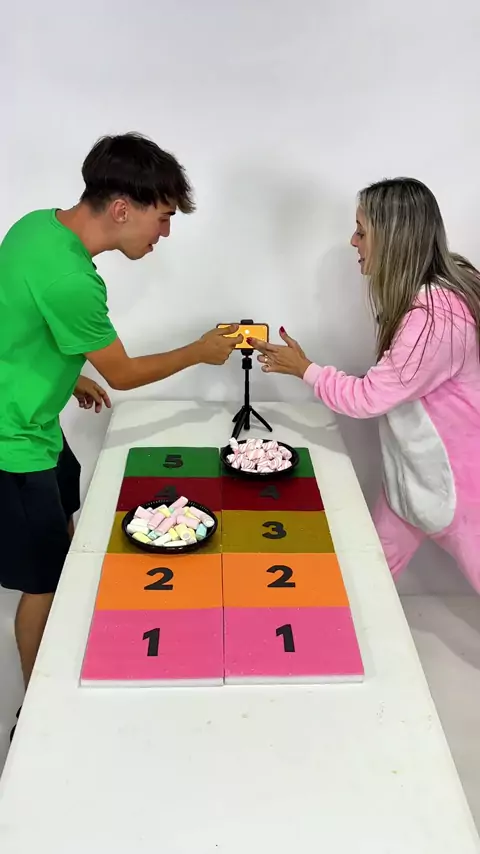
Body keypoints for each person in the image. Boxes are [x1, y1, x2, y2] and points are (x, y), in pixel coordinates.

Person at [0, 132, 242, 727]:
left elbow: (19, 318)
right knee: (44, 583)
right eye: (163, 218)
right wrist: (201, 351)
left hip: (36, 421)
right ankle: (36, 718)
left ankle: (65, 652)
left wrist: (68, 374)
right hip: (14, 442)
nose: (165, 233)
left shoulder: (36, 228)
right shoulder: (73, 281)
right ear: (120, 209)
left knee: (66, 529)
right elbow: (126, 374)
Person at [248, 177, 480, 593]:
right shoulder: (426, 304)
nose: (353, 242)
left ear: (392, 238)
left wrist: (304, 369)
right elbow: (392, 387)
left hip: (461, 493)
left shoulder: (435, 319)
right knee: (367, 578)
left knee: (369, 575)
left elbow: (368, 398)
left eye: (361, 231)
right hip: (414, 481)